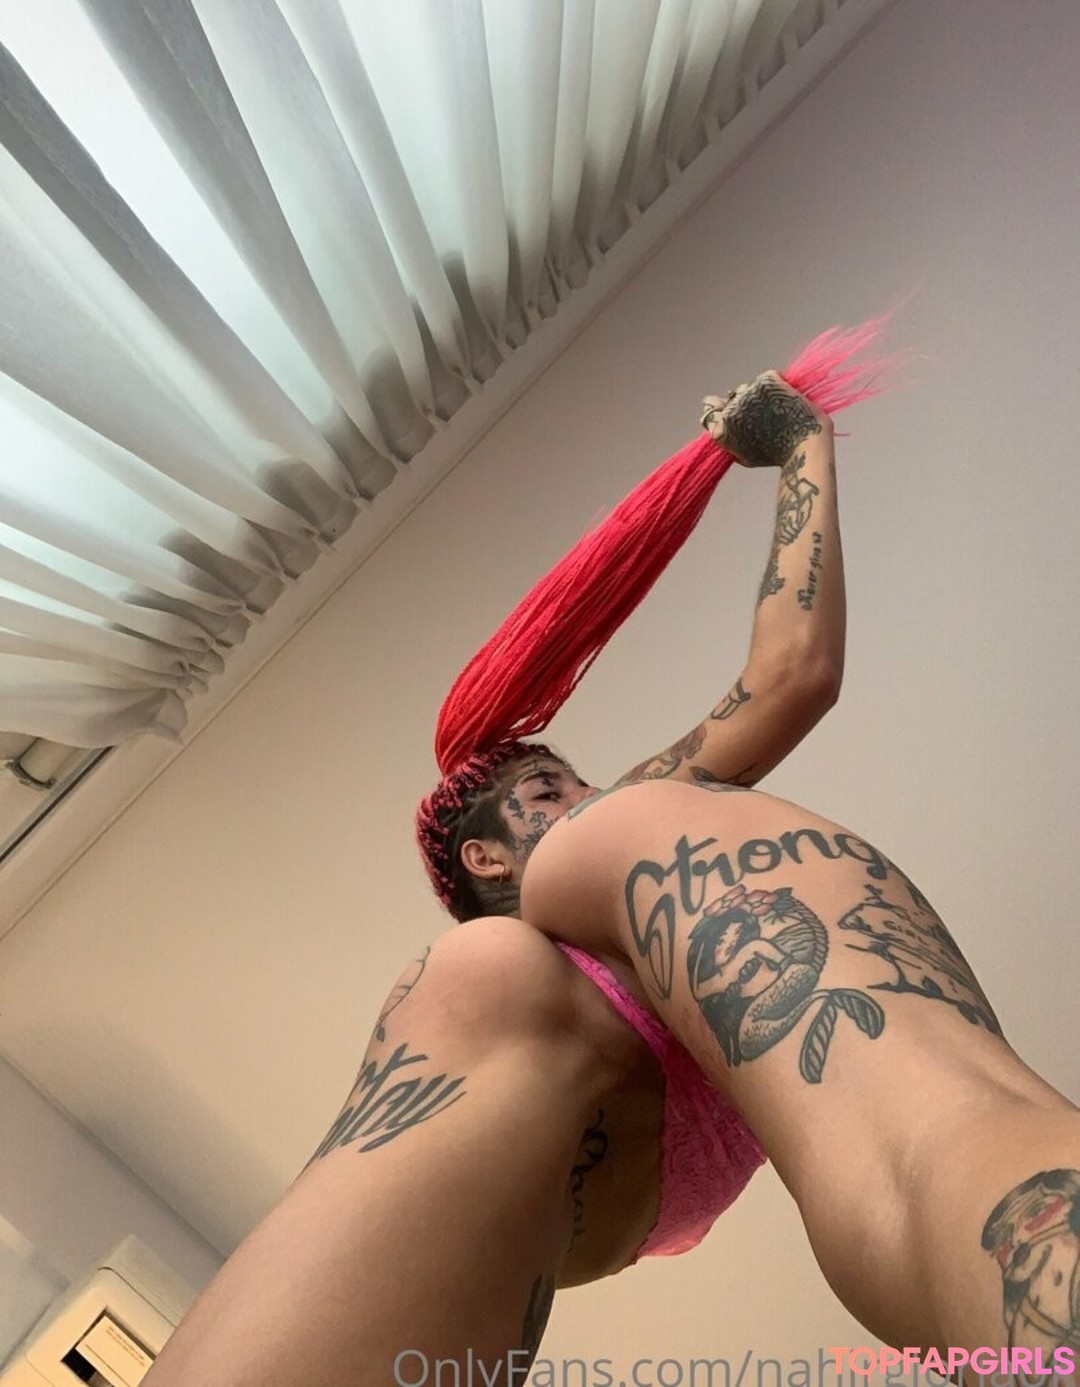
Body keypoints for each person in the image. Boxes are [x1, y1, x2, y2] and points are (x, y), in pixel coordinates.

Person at [143, 376, 1079, 1385]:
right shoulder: (597, 854)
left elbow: (797, 674)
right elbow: (787, 679)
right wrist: (800, 442)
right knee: (927, 1143)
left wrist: (804, 447)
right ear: (484, 857)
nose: (590, 792)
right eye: (549, 788)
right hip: (592, 1092)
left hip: (611, 1178)